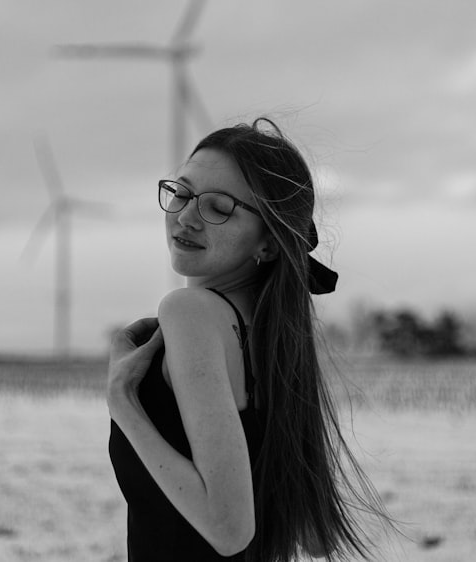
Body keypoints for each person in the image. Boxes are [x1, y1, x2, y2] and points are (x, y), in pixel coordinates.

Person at [108, 118, 390, 561]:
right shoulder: (271, 339)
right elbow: (312, 536)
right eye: (180, 193)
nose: (184, 216)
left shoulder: (190, 312)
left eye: (218, 207)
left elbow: (230, 529)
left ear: (269, 244)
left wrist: (123, 401)